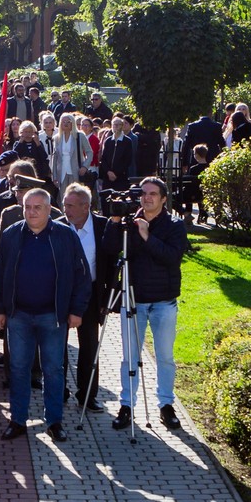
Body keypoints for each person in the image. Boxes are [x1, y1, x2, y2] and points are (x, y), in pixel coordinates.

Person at [0, 188, 91, 442]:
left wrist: (76, 310)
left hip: (53, 316)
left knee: (54, 370)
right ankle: (18, 420)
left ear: (49, 210)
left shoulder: (65, 236)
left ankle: (54, 422)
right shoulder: (11, 235)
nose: (32, 212)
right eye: (28, 207)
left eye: (38, 207)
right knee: (18, 368)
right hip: (19, 315)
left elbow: (81, 275)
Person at [105, 177, 187, 432]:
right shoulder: (129, 222)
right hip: (133, 300)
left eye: (153, 194)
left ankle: (166, 405)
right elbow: (109, 249)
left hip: (163, 301)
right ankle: (127, 406)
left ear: (164, 198)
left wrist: (146, 235)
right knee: (129, 357)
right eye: (143, 193)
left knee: (165, 357)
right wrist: (115, 222)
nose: (147, 198)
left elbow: (172, 258)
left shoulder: (174, 225)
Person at [58, 184, 110, 412]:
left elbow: (110, 263)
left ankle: (87, 394)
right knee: (57, 346)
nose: (65, 209)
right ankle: (59, 391)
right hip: (61, 295)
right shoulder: (58, 226)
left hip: (89, 295)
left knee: (89, 346)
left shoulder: (102, 226)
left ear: (86, 206)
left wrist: (106, 300)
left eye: (70, 205)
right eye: (64, 204)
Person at [52, 114, 93, 202]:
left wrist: (85, 167)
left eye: (68, 122)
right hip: (61, 172)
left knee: (76, 196)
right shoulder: (57, 138)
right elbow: (54, 158)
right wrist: (54, 176)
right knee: (63, 197)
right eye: (63, 122)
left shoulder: (79, 136)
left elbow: (89, 152)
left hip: (76, 171)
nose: (66, 124)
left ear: (73, 123)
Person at [98, 117, 134, 192]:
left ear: (122, 126)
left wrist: (116, 173)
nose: (116, 126)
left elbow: (127, 160)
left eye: (119, 124)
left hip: (121, 177)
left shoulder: (127, 141)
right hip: (107, 176)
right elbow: (103, 158)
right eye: (114, 125)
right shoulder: (108, 140)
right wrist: (108, 171)